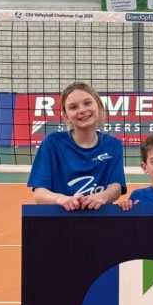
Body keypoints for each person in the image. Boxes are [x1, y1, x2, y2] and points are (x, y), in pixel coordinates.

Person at [28, 81, 126, 210]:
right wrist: (60, 199)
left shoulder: (113, 144)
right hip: (61, 217)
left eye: (87, 103)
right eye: (73, 107)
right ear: (66, 116)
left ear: (99, 106)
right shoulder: (52, 142)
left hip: (98, 216)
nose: (82, 110)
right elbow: (39, 193)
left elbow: (116, 187)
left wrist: (102, 196)